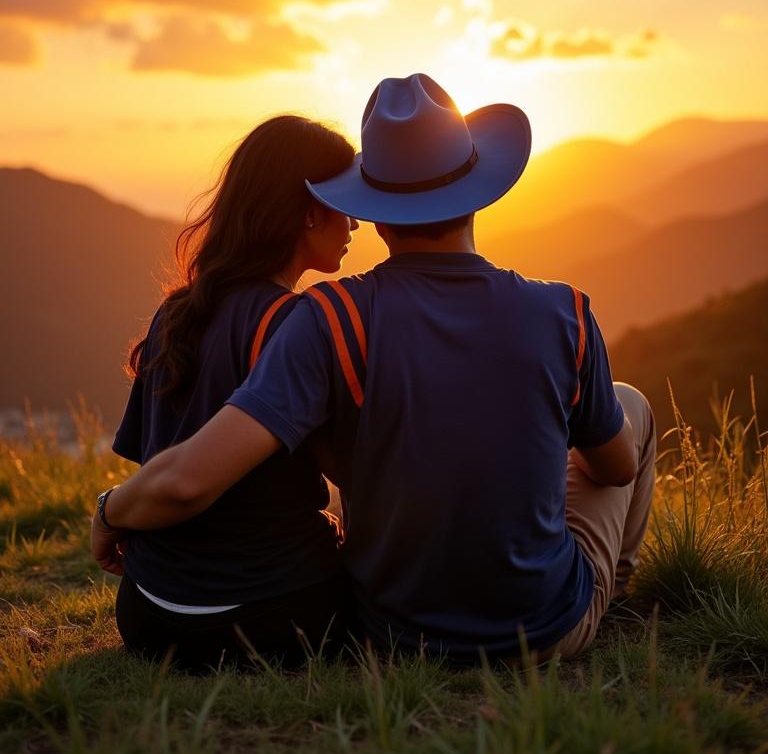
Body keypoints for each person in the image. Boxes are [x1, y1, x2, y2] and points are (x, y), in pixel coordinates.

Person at [93, 74, 656, 664]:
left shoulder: (325, 317)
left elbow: (199, 469)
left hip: (391, 632)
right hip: (537, 631)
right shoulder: (564, 310)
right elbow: (614, 468)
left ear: (376, 208)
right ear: (479, 192)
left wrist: (112, 511)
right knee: (628, 405)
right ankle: (604, 597)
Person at [105, 114, 358, 671]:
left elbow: (150, 463)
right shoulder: (295, 324)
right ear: (310, 210)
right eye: (346, 202)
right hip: (274, 614)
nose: (356, 223)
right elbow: (357, 473)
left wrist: (109, 515)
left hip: (149, 613)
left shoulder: (173, 314)